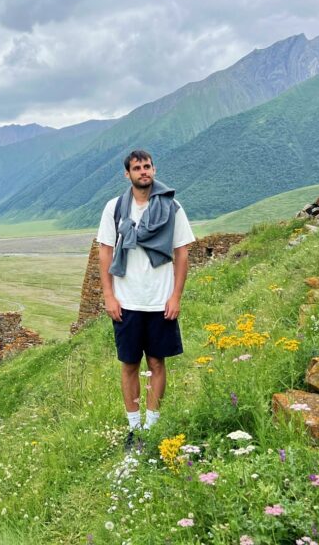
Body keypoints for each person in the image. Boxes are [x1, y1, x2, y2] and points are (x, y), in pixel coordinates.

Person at [96, 149, 195, 448]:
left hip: (159, 300)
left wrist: (175, 296)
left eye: (147, 166)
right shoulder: (114, 208)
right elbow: (105, 251)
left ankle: (151, 426)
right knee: (128, 365)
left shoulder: (172, 207)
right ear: (127, 174)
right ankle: (133, 427)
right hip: (126, 302)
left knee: (156, 362)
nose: (143, 171)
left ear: (154, 169)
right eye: (137, 167)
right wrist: (109, 295)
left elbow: (182, 253)